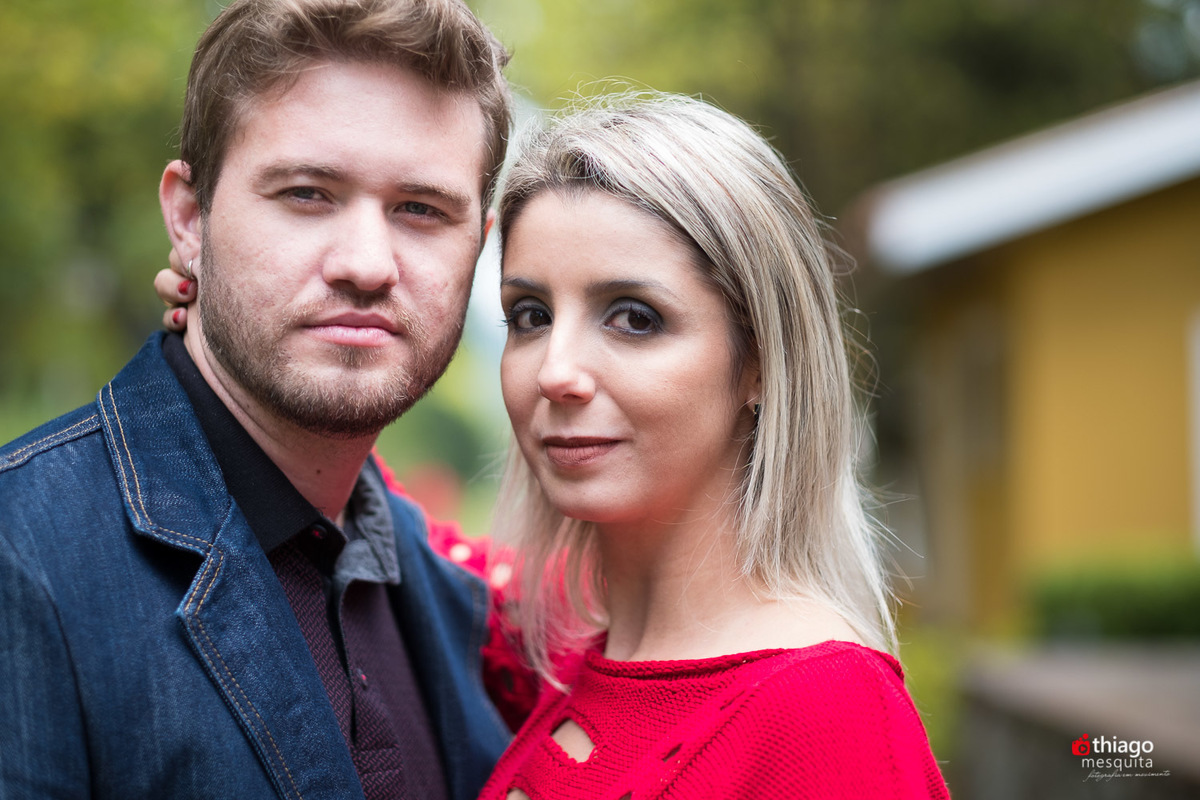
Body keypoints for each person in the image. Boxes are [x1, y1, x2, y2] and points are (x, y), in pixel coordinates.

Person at [163, 92, 951, 798]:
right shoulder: (558, 647)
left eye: (634, 317)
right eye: (531, 316)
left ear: (760, 364)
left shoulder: (828, 713)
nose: (556, 372)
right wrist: (235, 329)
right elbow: (374, 517)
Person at [0, 1, 514, 798]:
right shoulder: (24, 556)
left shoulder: (446, 598)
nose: (366, 264)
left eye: (420, 209)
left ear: (477, 243)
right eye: (308, 193)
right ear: (189, 217)